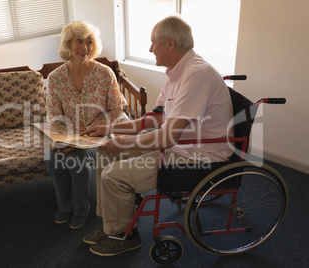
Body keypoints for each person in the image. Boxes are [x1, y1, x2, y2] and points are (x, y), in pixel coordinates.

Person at [81, 15, 234, 256]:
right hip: (180, 146)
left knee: (113, 175)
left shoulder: (196, 75)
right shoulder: (175, 73)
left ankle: (124, 236)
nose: (150, 48)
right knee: (105, 154)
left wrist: (124, 144)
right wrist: (110, 129)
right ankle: (114, 226)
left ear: (170, 43)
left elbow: (167, 138)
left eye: (154, 43)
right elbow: (154, 120)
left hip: (199, 157)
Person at [44, 20, 127, 229]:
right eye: (79, 41)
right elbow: (54, 116)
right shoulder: (55, 79)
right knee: (52, 155)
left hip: (100, 132)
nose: (85, 47)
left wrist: (98, 131)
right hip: (69, 133)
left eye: (89, 42)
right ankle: (65, 206)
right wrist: (71, 134)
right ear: (68, 45)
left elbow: (117, 111)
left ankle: (81, 208)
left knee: (77, 157)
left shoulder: (105, 73)